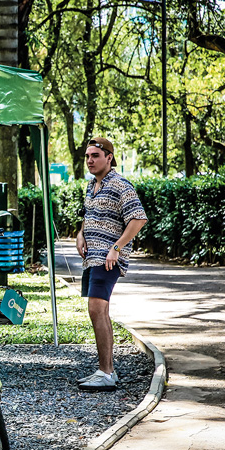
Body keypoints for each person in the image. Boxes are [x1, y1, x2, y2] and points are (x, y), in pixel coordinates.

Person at [75, 136, 148, 392]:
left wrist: (116, 248)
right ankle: (107, 371)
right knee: (99, 311)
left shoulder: (121, 185)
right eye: (87, 156)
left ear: (109, 157)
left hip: (107, 260)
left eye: (95, 156)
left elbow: (138, 219)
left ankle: (106, 372)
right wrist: (80, 234)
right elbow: (88, 215)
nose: (90, 160)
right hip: (92, 258)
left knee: (96, 309)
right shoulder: (90, 187)